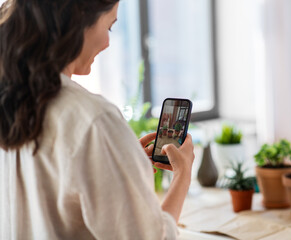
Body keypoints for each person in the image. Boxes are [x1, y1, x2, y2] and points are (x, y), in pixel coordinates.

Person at [0, 0, 194, 239]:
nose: (107, 43)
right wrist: (183, 174)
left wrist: (121, 161)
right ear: (78, 20)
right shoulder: (94, 120)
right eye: (109, 26)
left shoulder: (14, 103)